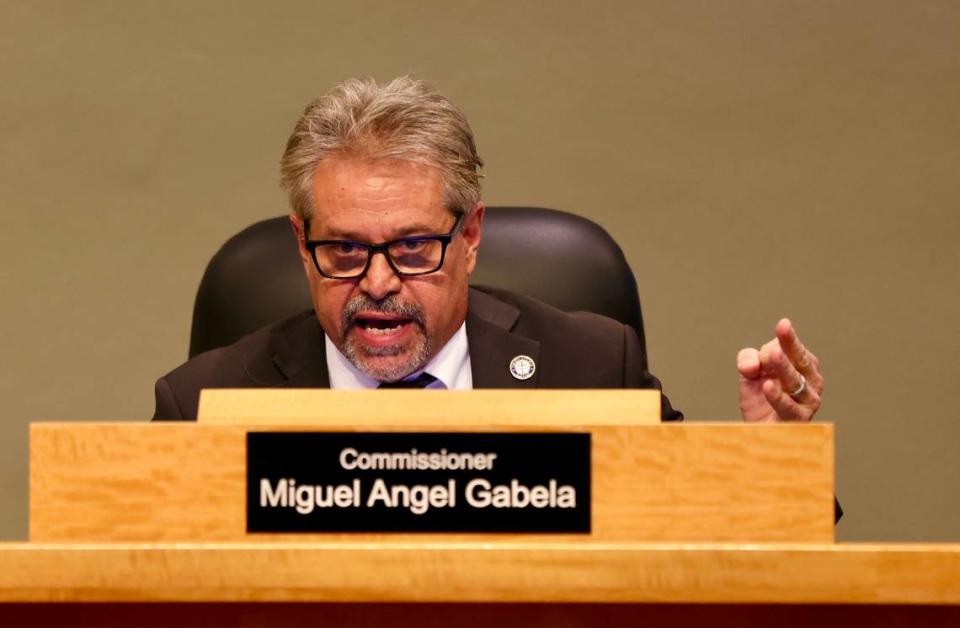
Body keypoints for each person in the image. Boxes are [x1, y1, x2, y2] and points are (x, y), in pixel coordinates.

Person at [152, 76, 824, 425]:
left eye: (414, 247)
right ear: (302, 244)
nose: (378, 283)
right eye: (346, 251)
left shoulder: (590, 371)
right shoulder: (204, 404)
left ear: (469, 237)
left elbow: (710, 569)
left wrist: (774, 462)